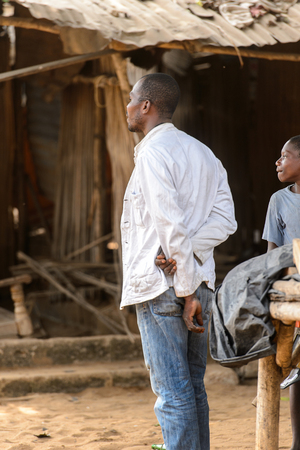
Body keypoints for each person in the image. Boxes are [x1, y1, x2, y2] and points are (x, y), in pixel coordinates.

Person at [120, 73, 237, 450]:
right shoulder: (203, 152)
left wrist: (184, 288)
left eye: (131, 99)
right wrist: (187, 258)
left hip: (168, 289)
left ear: (146, 106)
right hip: (199, 283)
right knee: (192, 388)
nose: (127, 106)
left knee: (172, 393)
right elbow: (225, 220)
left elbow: (170, 223)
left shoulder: (154, 153)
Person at [262, 135, 300, 450]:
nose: (278, 161)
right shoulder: (279, 200)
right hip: (291, 292)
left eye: (285, 155)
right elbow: (271, 256)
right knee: (293, 364)